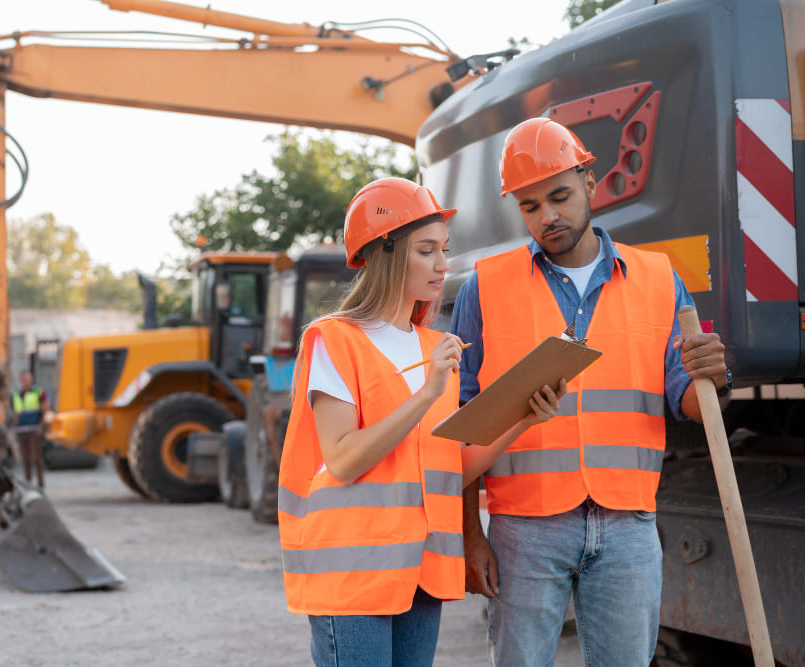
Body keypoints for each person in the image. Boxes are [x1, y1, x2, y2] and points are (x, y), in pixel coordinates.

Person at [451, 117, 731, 666]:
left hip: (628, 524)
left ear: (589, 180)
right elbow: (461, 423)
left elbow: (690, 400)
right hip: (523, 529)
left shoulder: (658, 279)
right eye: (530, 207)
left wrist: (713, 375)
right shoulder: (484, 288)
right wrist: (469, 534)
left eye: (558, 196)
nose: (548, 217)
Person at [277, 177, 566, 666]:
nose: (442, 265)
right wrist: (427, 392)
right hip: (352, 574)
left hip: (422, 571)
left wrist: (523, 418)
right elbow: (344, 460)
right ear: (386, 254)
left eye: (444, 250)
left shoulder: (435, 348)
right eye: (426, 250)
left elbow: (450, 467)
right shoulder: (333, 340)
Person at [12, 369, 49, 488]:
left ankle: (40, 484)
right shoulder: (16, 395)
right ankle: (28, 484)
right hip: (21, 431)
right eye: (23, 379)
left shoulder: (38, 393)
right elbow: (16, 414)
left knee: (36, 459)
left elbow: (45, 410)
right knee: (25, 460)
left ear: (31, 379)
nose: (26, 381)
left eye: (28, 379)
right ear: (20, 381)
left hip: (34, 430)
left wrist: (41, 426)